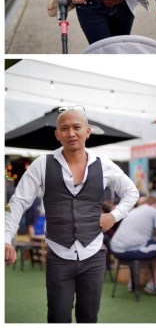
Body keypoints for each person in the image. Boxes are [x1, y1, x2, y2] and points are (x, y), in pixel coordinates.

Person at [4, 106, 139, 322]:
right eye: (64, 128)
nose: (71, 133)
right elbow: (18, 202)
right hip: (58, 256)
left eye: (77, 127)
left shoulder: (103, 164)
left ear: (87, 131)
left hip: (94, 254)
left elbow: (132, 192)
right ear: (57, 134)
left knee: (89, 317)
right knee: (57, 317)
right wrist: (5, 239)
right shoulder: (42, 164)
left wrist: (114, 216)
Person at [109, 195, 156, 296]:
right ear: (155, 205)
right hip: (129, 251)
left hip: (115, 249)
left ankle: (133, 283)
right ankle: (154, 283)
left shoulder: (133, 211)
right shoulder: (155, 212)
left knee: (142, 245)